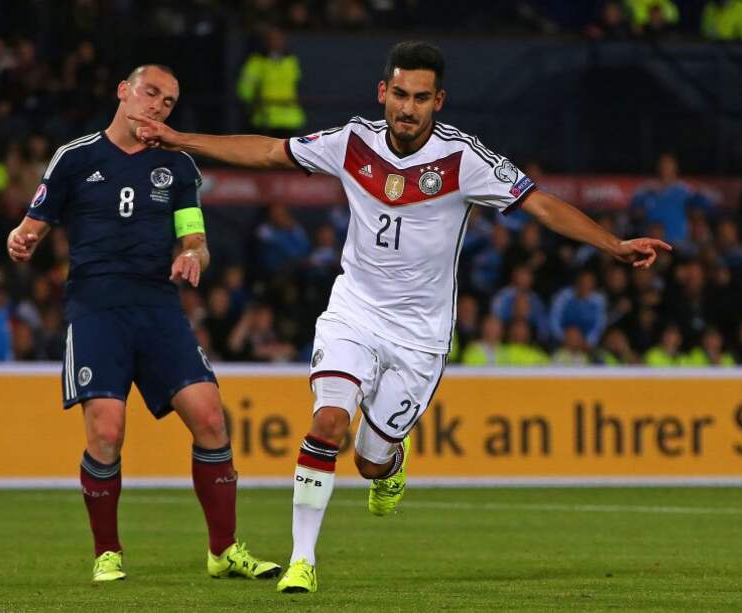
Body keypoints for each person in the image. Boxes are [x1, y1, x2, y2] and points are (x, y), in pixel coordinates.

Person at [130, 41, 671, 594]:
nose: (407, 109)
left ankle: (389, 462)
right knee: (328, 424)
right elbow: (270, 151)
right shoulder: (351, 142)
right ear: (383, 92)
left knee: (368, 459)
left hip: (420, 336)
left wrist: (612, 244)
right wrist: (178, 138)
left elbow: (538, 203)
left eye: (420, 98)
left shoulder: (465, 160)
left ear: (438, 101)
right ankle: (302, 560)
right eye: (400, 95)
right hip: (354, 313)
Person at [6, 64, 279, 583]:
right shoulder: (76, 157)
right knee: (107, 432)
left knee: (211, 418)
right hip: (96, 309)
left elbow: (193, 234)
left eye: (169, 102)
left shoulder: (176, 167)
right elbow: (31, 226)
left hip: (158, 307)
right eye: (151, 93)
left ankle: (224, 550)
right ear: (123, 91)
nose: (158, 106)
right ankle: (107, 551)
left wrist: (194, 254)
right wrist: (20, 238)